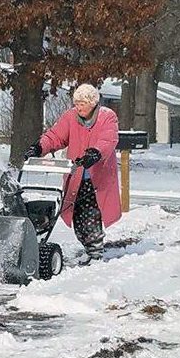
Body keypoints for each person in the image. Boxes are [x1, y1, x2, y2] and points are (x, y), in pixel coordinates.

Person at [24, 83, 121, 264]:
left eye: (82, 103)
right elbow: (55, 136)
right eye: (76, 103)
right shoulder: (71, 117)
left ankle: (95, 253)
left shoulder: (107, 117)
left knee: (91, 215)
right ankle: (87, 247)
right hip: (75, 177)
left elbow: (108, 139)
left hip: (97, 178)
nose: (78, 106)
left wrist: (96, 152)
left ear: (93, 102)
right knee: (77, 215)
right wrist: (38, 148)